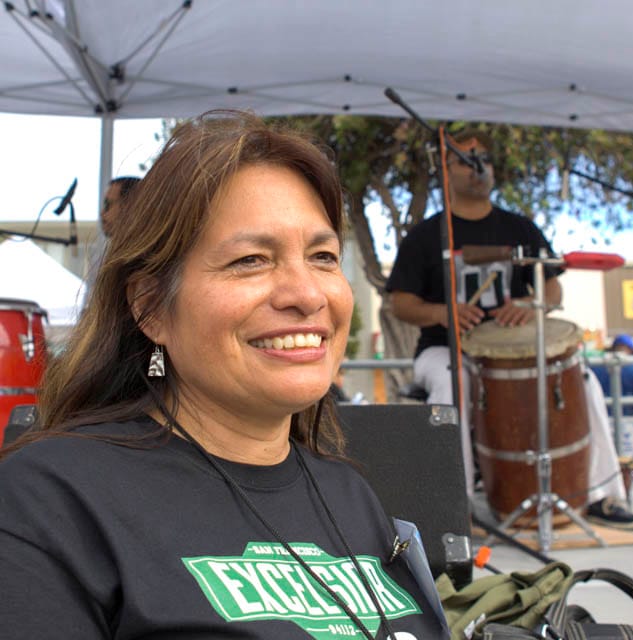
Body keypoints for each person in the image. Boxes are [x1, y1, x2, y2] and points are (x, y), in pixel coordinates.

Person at [0, 111, 447, 638]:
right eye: (251, 260)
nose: (306, 294)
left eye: (323, 256)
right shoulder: (48, 499)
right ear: (150, 308)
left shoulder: (348, 492)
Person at [386, 129, 633, 530]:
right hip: (445, 349)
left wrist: (528, 305)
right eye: (467, 159)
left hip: (518, 354)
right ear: (446, 170)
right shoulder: (426, 236)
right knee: (453, 384)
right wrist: (443, 313)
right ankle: (456, 507)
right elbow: (399, 301)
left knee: (586, 382)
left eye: (485, 160)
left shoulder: (519, 229)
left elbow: (553, 285)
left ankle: (602, 496)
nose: (480, 168)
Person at [590, 334, 633, 453]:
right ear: (631, 350)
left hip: (601, 424)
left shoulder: (596, 368)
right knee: (632, 465)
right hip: (631, 425)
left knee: (604, 464)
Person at [83, 175, 141, 306]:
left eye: (108, 205)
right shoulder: (104, 258)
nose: (102, 213)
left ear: (129, 207)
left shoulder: (142, 262)